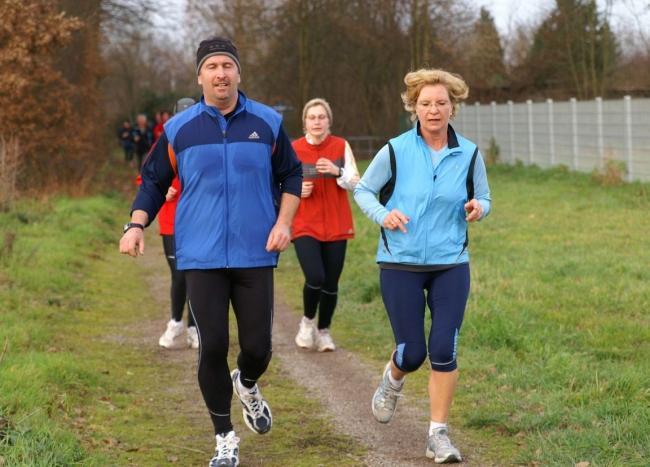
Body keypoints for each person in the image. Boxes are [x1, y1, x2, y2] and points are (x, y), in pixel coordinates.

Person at [119, 37, 302, 467]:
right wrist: (135, 224)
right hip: (199, 256)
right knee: (212, 344)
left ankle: (249, 383)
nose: (221, 73)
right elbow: (152, 182)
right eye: (212, 67)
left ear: (239, 73)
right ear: (200, 76)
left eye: (227, 65)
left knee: (258, 347)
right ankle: (224, 436)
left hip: (255, 252)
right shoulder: (179, 129)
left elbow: (291, 175)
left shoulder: (268, 123)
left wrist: (283, 222)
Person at [353, 68, 491, 464]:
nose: (433, 110)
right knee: (412, 353)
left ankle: (438, 435)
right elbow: (364, 190)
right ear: (414, 108)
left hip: (451, 263)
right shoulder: (395, 150)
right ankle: (393, 379)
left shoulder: (468, 153)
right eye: (426, 104)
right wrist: (384, 215)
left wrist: (478, 208)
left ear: (453, 108)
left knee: (443, 349)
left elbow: (485, 196)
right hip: (401, 263)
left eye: (441, 103)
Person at [291, 98, 359, 352]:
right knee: (315, 276)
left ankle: (324, 331)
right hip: (305, 223)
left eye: (322, 117)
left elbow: (356, 182)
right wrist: (297, 189)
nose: (317, 122)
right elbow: (277, 185)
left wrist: (336, 171)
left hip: (336, 223)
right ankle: (307, 322)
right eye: (312, 117)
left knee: (331, 282)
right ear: (304, 122)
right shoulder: (293, 149)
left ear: (328, 121)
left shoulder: (341, 146)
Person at [157, 98, 198, 350]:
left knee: (196, 276)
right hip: (171, 222)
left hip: (199, 221)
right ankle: (175, 322)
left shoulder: (205, 143)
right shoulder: (163, 145)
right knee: (179, 275)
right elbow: (147, 181)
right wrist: (164, 192)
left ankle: (194, 328)